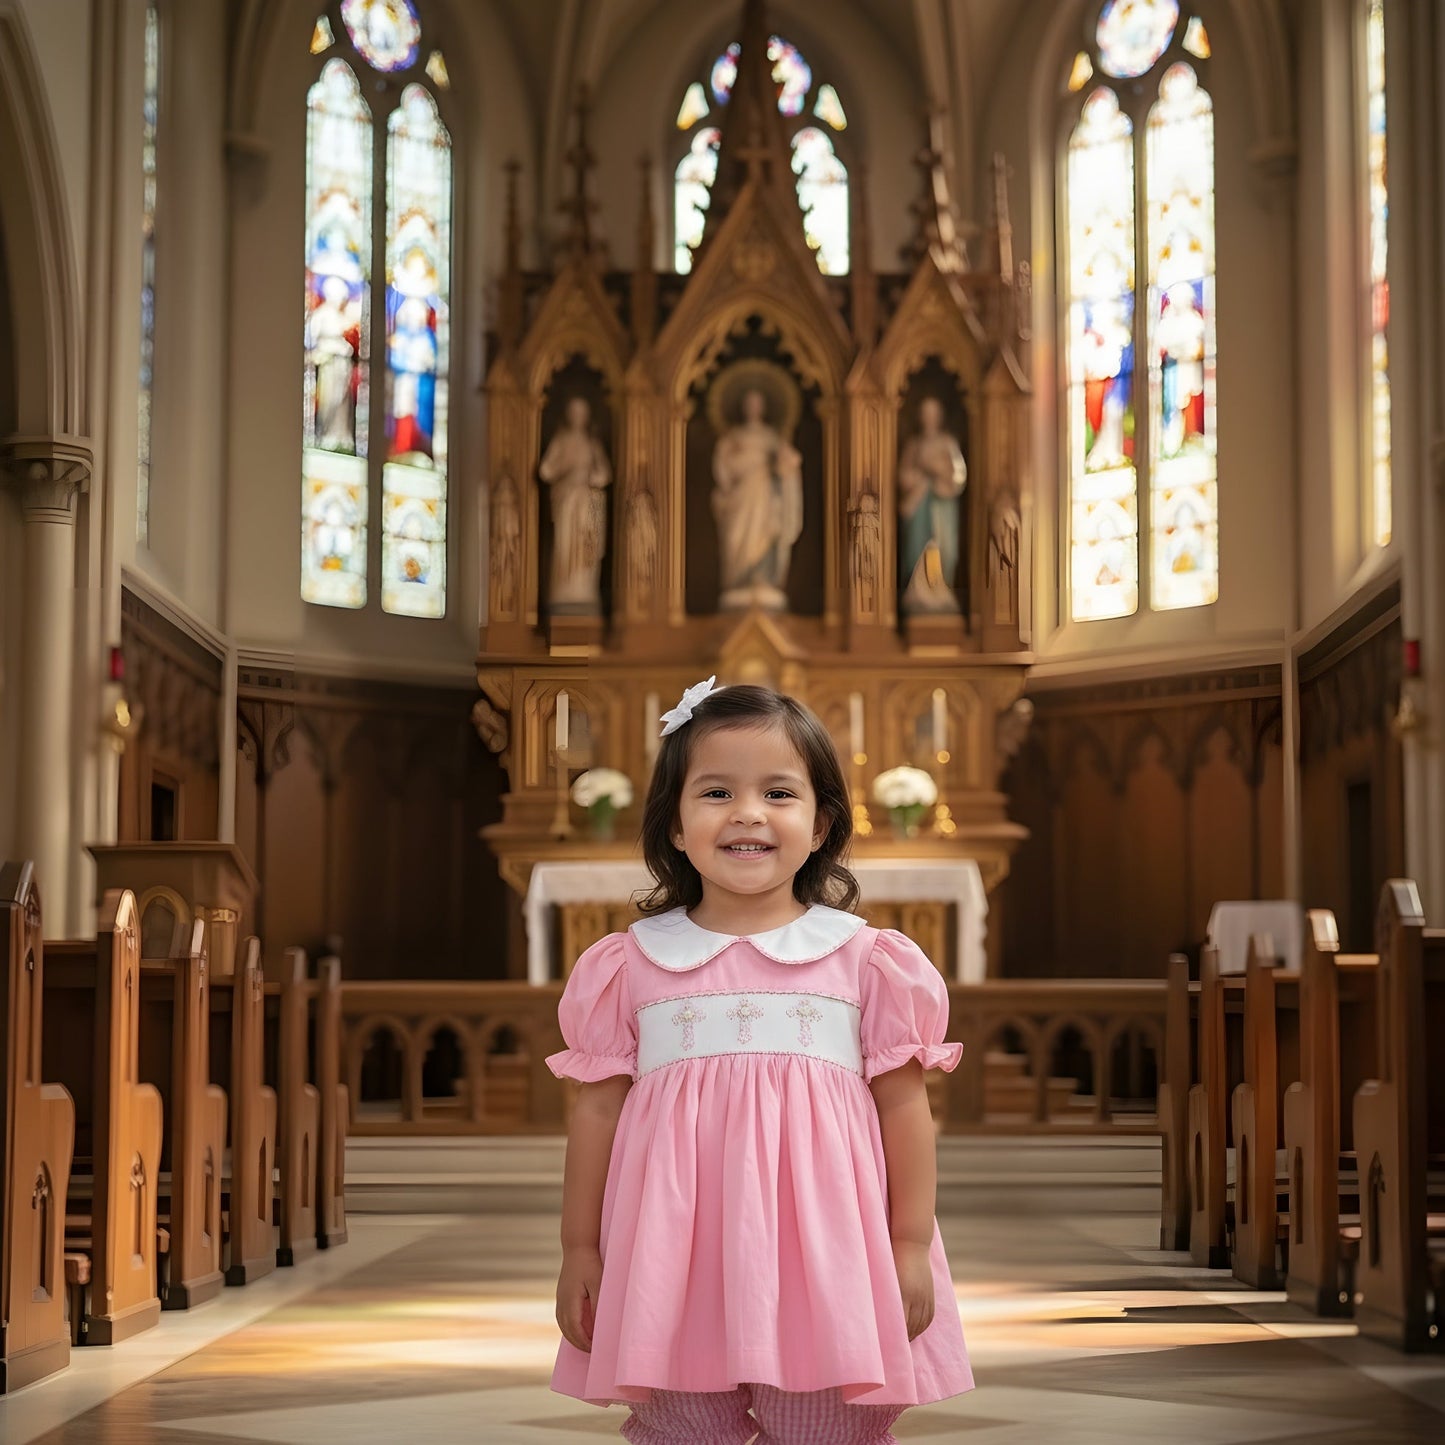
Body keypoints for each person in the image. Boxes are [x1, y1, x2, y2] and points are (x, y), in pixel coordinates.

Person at [548, 678, 974, 1443]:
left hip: (827, 1256)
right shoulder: (629, 964)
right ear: (674, 825)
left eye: (778, 791)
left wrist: (907, 1242)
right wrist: (580, 1246)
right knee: (680, 1424)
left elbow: (905, 1107)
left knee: (826, 1423)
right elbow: (596, 1111)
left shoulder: (866, 961)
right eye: (715, 791)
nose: (746, 812)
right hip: (672, 1258)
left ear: (821, 825)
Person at [711, 388, 804, 611]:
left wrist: (787, 467)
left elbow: (786, 463)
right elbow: (722, 466)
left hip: (765, 496)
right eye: (749, 402)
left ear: (763, 407)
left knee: (766, 534)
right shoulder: (733, 437)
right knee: (736, 538)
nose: (753, 407)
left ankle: (762, 577)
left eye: (757, 402)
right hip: (740, 497)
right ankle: (739, 579)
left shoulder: (772, 436)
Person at [897, 397, 967, 615]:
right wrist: (917, 478)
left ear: (939, 417)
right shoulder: (914, 445)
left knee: (944, 549)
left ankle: (941, 591)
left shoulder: (948, 443)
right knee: (918, 547)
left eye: (932, 414)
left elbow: (958, 476)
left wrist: (938, 472)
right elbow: (902, 476)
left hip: (942, 507)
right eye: (925, 414)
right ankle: (918, 595)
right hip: (919, 505)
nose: (928, 419)